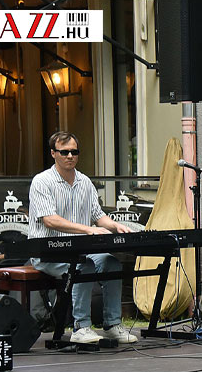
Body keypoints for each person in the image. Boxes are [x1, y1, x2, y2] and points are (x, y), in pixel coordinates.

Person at [29, 131, 138, 344]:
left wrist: (116, 226)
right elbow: (50, 220)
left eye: (74, 151)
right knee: (83, 266)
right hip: (48, 253)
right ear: (53, 153)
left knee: (111, 263)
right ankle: (81, 327)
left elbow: (98, 217)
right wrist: (87, 230)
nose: (70, 156)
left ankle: (113, 324)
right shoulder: (42, 181)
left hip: (80, 251)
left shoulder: (85, 182)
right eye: (64, 152)